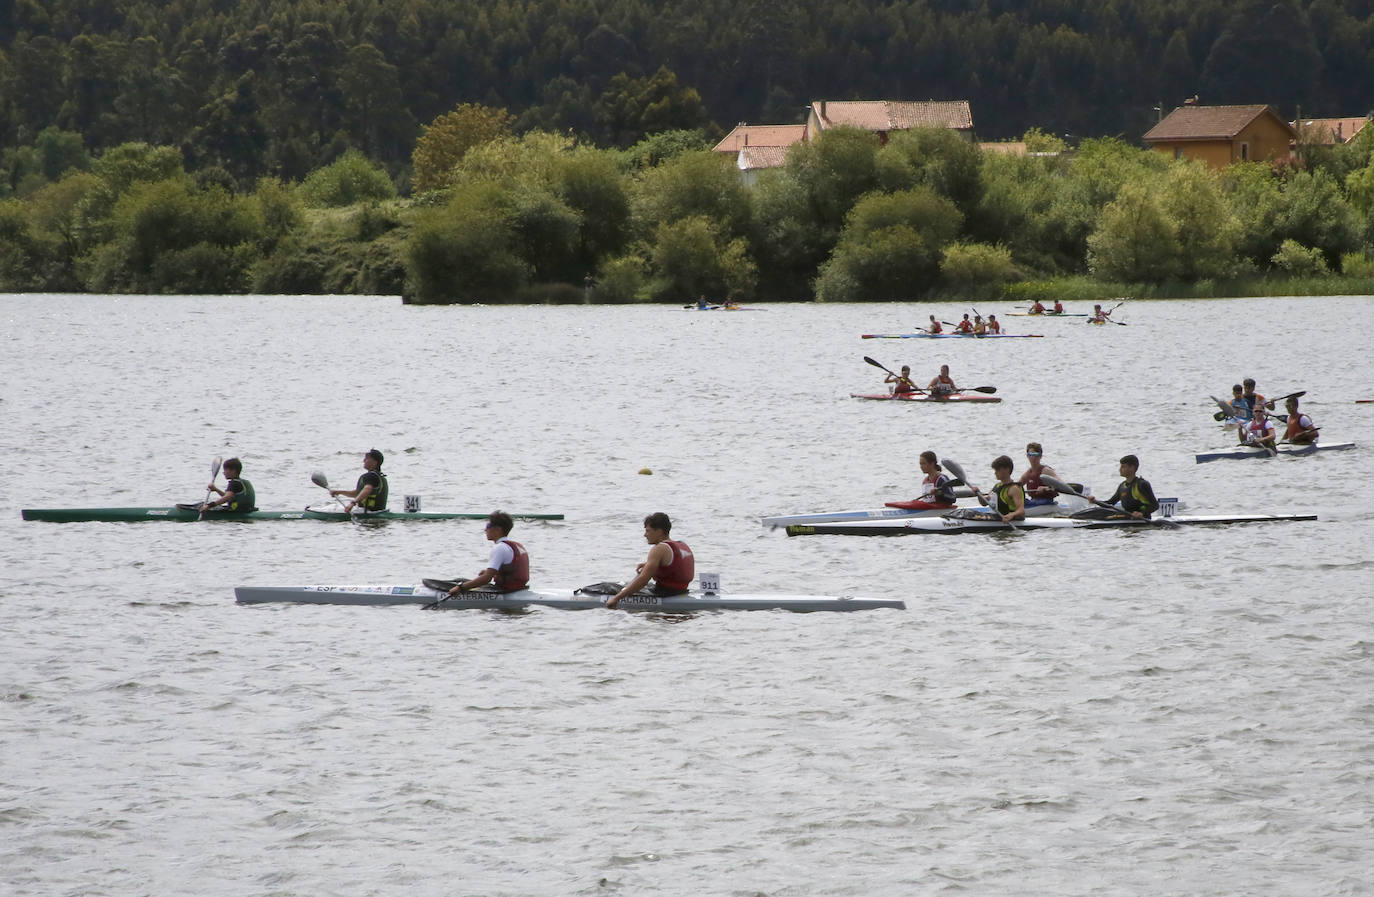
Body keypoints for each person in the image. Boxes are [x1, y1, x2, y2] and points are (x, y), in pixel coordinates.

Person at [606, 512, 694, 608]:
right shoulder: (682, 545)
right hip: (681, 591)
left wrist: (617, 598)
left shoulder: (659, 549)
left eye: (648, 531)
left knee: (609, 587)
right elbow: (675, 565)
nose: (645, 535)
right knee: (627, 585)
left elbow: (643, 580)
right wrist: (648, 565)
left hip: (664, 593)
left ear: (659, 531)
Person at [447, 511, 530, 595]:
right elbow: (511, 570)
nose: (485, 529)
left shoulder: (500, 548)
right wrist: (492, 573)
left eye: (488, 526)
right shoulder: (516, 545)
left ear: (498, 530)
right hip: (518, 589)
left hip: (505, 592)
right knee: (461, 581)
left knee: (459, 582)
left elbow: (486, 579)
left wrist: (460, 588)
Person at [1094, 454, 1158, 519]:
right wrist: (1095, 501)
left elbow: (1155, 505)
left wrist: (1141, 513)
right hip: (1127, 518)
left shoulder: (1142, 485)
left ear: (1132, 468)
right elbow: (1110, 503)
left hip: (1141, 520)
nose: (1120, 469)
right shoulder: (1122, 486)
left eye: (1123, 467)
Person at [886, 451, 958, 510]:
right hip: (928, 509)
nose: (921, 467)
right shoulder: (925, 480)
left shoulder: (941, 479)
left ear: (932, 464)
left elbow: (952, 499)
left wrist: (940, 494)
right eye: (920, 464)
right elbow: (927, 501)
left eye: (923, 464)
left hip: (941, 510)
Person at [330, 448, 388, 513]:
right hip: (379, 511)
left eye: (367, 458)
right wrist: (339, 492)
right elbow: (358, 493)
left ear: (375, 462)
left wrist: (353, 503)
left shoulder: (370, 476)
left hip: (368, 512)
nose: (364, 460)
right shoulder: (379, 476)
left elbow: (367, 489)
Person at [970, 455, 1025, 522]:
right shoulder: (997, 486)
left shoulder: (1013, 489)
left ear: (1007, 469)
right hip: (997, 518)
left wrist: (1012, 515)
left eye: (998, 470)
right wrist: (978, 494)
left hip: (1011, 521)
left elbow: (1021, 511)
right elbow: (984, 503)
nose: (995, 473)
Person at [1017, 443, 1059, 509]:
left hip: (1047, 502)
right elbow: (1016, 486)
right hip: (1033, 501)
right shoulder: (1027, 474)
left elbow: (1060, 483)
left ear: (1040, 456)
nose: (1033, 458)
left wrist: (1045, 488)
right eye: (1030, 455)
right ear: (1027, 456)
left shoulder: (1046, 470)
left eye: (1035, 455)